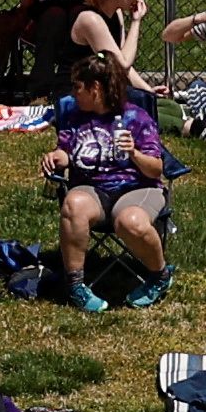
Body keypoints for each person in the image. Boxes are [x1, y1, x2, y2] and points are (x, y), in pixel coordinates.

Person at [46, 61, 174, 305]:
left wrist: (134, 153)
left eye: (78, 87)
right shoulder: (74, 116)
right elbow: (65, 151)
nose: (74, 93)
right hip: (93, 188)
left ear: (96, 88)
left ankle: (160, 276)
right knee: (73, 204)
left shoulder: (136, 118)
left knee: (129, 221)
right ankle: (75, 287)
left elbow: (157, 168)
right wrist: (56, 157)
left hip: (138, 188)